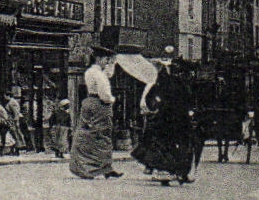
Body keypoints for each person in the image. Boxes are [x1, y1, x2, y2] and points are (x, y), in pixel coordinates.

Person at [133, 58, 200, 184]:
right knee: (180, 145)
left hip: (166, 118)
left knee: (167, 144)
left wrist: (156, 107)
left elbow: (151, 98)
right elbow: (189, 101)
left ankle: (171, 172)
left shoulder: (163, 82)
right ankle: (179, 173)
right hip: (178, 119)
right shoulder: (180, 83)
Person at [71, 45, 122, 179]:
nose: (107, 62)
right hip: (99, 104)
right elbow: (105, 94)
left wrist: (112, 63)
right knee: (102, 135)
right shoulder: (98, 74)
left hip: (89, 101)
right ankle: (101, 167)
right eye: (105, 59)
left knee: (88, 134)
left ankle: (96, 166)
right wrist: (112, 99)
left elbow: (109, 74)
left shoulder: (92, 72)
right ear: (98, 59)